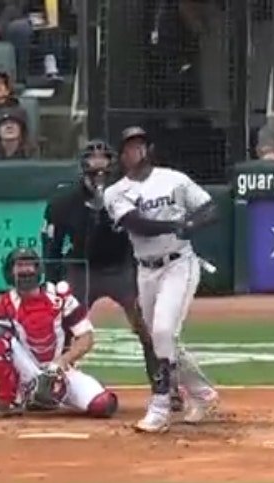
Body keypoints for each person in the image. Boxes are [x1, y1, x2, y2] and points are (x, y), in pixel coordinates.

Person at [41, 140, 184, 414]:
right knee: (65, 328)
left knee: (148, 327)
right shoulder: (64, 201)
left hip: (122, 266)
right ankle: (53, 385)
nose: (98, 167)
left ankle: (167, 388)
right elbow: (51, 244)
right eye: (92, 160)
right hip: (82, 267)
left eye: (103, 159)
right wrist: (52, 282)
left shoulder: (130, 195)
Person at [102, 126, 220, 434]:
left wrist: (191, 224)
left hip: (179, 264)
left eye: (140, 145)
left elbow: (210, 208)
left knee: (164, 331)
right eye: (129, 147)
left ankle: (160, 406)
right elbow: (136, 224)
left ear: (149, 148)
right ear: (121, 155)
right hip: (146, 269)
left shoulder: (174, 179)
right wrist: (175, 224)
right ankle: (204, 394)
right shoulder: (115, 192)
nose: (135, 151)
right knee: (159, 340)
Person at [0, 247, 120, 419]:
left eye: (29, 265)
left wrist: (61, 362)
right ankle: (10, 400)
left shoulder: (59, 297)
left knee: (103, 404)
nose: (25, 270)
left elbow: (86, 338)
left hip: (60, 371)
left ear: (38, 269)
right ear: (10, 272)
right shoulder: (7, 304)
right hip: (27, 371)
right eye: (20, 265)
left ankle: (54, 394)